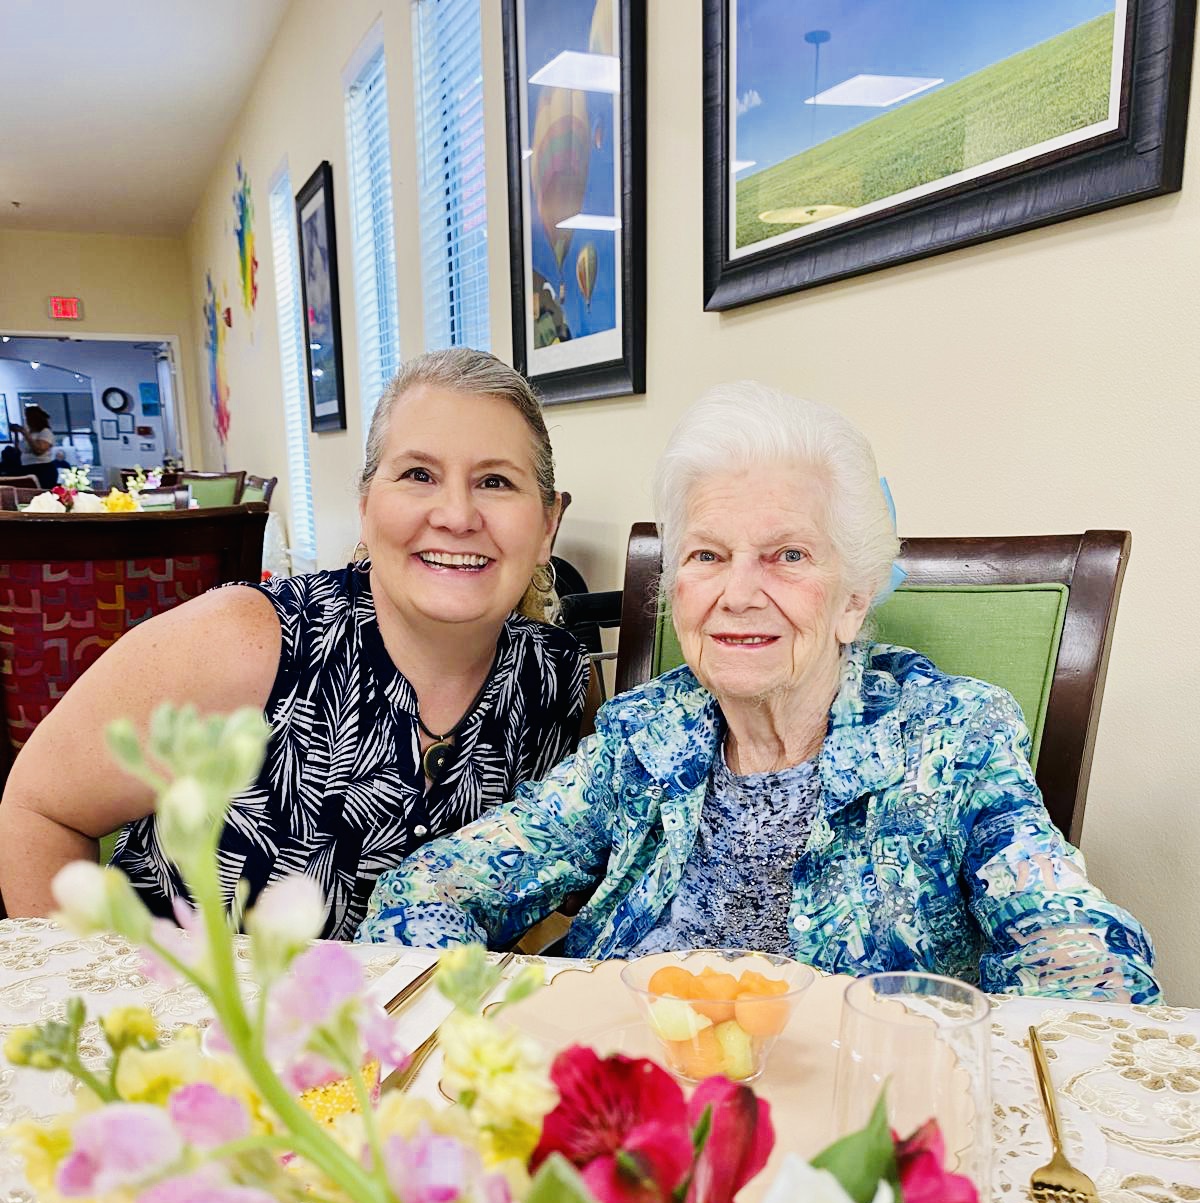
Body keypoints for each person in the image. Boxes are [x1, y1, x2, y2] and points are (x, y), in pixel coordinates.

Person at [359, 381, 1159, 1003]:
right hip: (632, 1115)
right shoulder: (642, 737)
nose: (738, 594)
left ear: (853, 600)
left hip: (858, 1127)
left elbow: (1076, 953)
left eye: (788, 556)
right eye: (707, 556)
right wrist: (497, 1041)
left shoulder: (950, 737)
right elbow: (429, 888)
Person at [0, 349, 592, 939]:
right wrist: (93, 989)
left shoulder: (559, 681)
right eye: (419, 474)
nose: (457, 515)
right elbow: (39, 810)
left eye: (495, 481)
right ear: (366, 507)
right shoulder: (243, 642)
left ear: (547, 526)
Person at [11, 405, 59, 489]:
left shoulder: (45, 432)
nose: (26, 420)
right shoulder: (30, 433)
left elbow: (39, 451)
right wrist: (16, 433)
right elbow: (19, 449)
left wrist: (25, 434)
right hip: (27, 467)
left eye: (28, 418)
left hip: (42, 469)